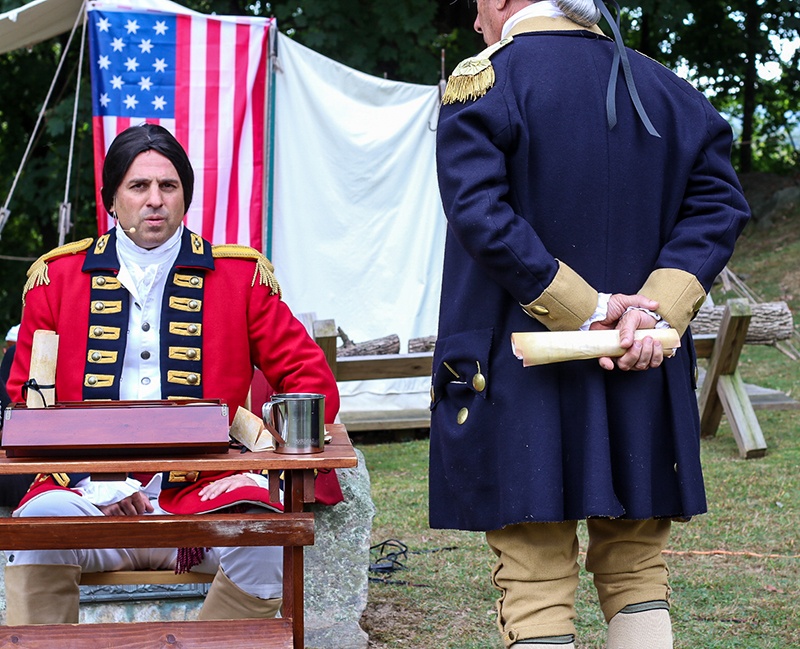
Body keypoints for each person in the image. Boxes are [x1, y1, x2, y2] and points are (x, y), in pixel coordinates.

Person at [430, 1, 750, 648]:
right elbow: (720, 203)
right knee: (636, 563)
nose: (474, 24)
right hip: (642, 362)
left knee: (534, 572)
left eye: (476, 7)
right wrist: (650, 309)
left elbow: (482, 217)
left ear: (500, 1)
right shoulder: (668, 88)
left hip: (520, 368)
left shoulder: (483, 83)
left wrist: (596, 310)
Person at [4, 123, 341, 625]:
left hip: (204, 493)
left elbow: (311, 381)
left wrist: (255, 442)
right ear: (111, 200)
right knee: (35, 532)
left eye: (169, 186)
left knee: (268, 545)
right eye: (139, 187)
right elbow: (25, 409)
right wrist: (93, 481)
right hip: (89, 497)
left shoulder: (238, 278)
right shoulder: (57, 280)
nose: (154, 200)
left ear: (185, 197)